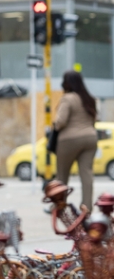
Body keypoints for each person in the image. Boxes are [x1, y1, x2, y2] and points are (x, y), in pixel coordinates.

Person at [54, 70, 99, 209]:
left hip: (69, 140)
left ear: (66, 83)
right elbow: (94, 119)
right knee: (86, 174)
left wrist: (54, 125)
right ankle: (87, 207)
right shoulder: (89, 98)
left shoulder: (68, 98)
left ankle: (59, 205)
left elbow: (61, 121)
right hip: (90, 138)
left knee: (62, 175)